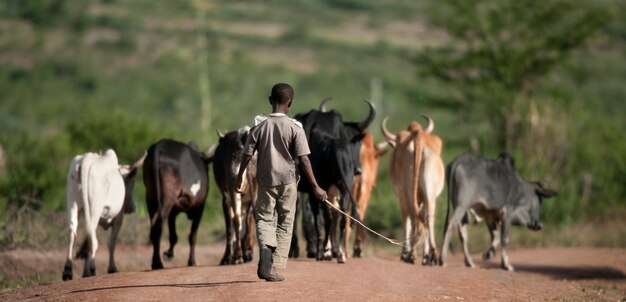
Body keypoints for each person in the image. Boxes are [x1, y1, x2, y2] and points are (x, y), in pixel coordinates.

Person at [235, 83, 327, 282]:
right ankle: (273, 265)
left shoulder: (258, 126)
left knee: (264, 218)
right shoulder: (296, 128)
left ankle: (266, 248)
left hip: (265, 181)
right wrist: (315, 186)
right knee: (286, 222)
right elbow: (304, 160)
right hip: (288, 182)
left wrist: (239, 175)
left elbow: (247, 154)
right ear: (290, 103)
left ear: (270, 101)